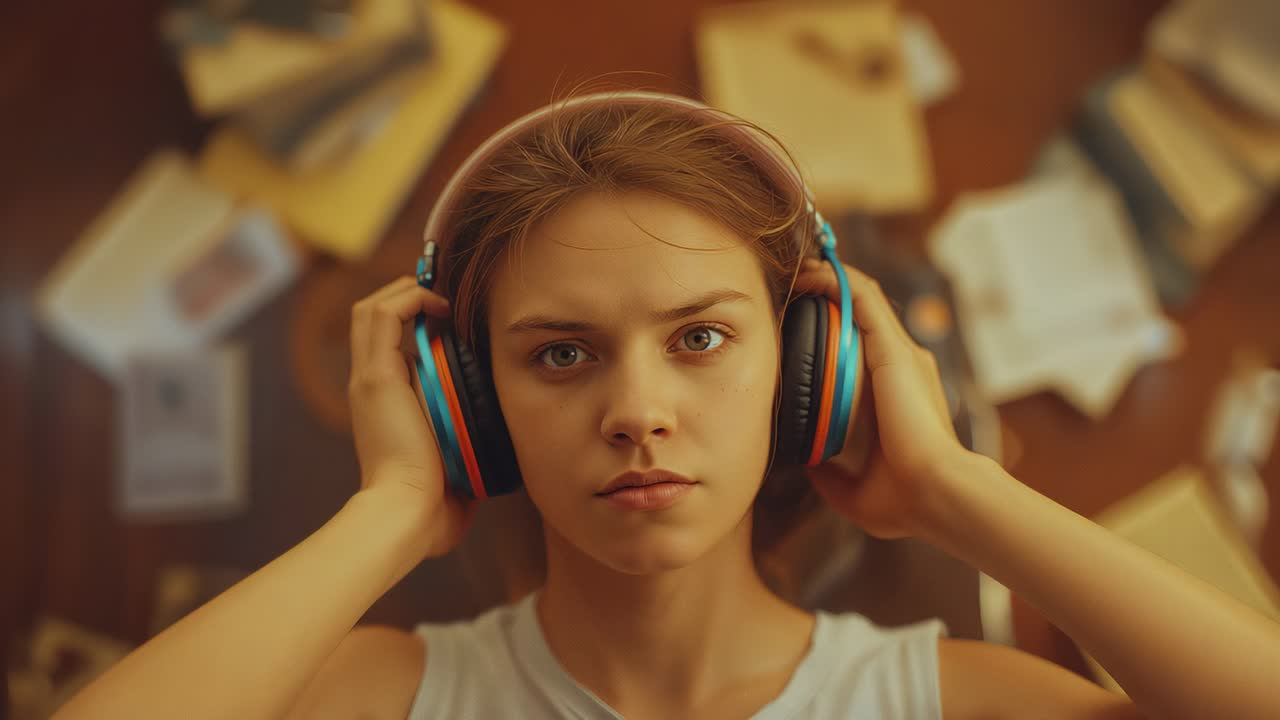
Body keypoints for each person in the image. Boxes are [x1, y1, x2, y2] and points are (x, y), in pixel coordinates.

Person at [59, 92, 1280, 720]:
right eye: (560, 354)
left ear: (809, 371)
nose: (636, 411)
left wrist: (956, 489)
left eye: (699, 338)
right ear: (469, 404)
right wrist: (390, 512)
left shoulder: (946, 702)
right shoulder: (386, 697)